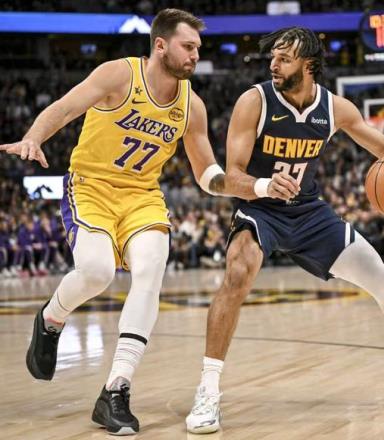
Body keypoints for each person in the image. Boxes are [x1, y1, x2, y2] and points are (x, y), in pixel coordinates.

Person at [185, 27, 384, 434]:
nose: (273, 64)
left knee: (381, 277)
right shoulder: (254, 101)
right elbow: (232, 176)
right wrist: (264, 186)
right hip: (261, 208)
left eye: (284, 58)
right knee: (238, 273)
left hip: (309, 213)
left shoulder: (335, 109)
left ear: (309, 65)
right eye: (272, 57)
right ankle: (208, 390)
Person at [0, 9, 227, 436]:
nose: (196, 55)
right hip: (91, 187)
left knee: (151, 270)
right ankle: (51, 317)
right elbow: (64, 108)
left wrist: (245, 185)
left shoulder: (191, 105)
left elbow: (206, 171)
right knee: (97, 272)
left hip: (142, 197)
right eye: (188, 46)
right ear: (160, 45)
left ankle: (116, 390)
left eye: (198, 47)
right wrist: (33, 137)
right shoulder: (119, 75)